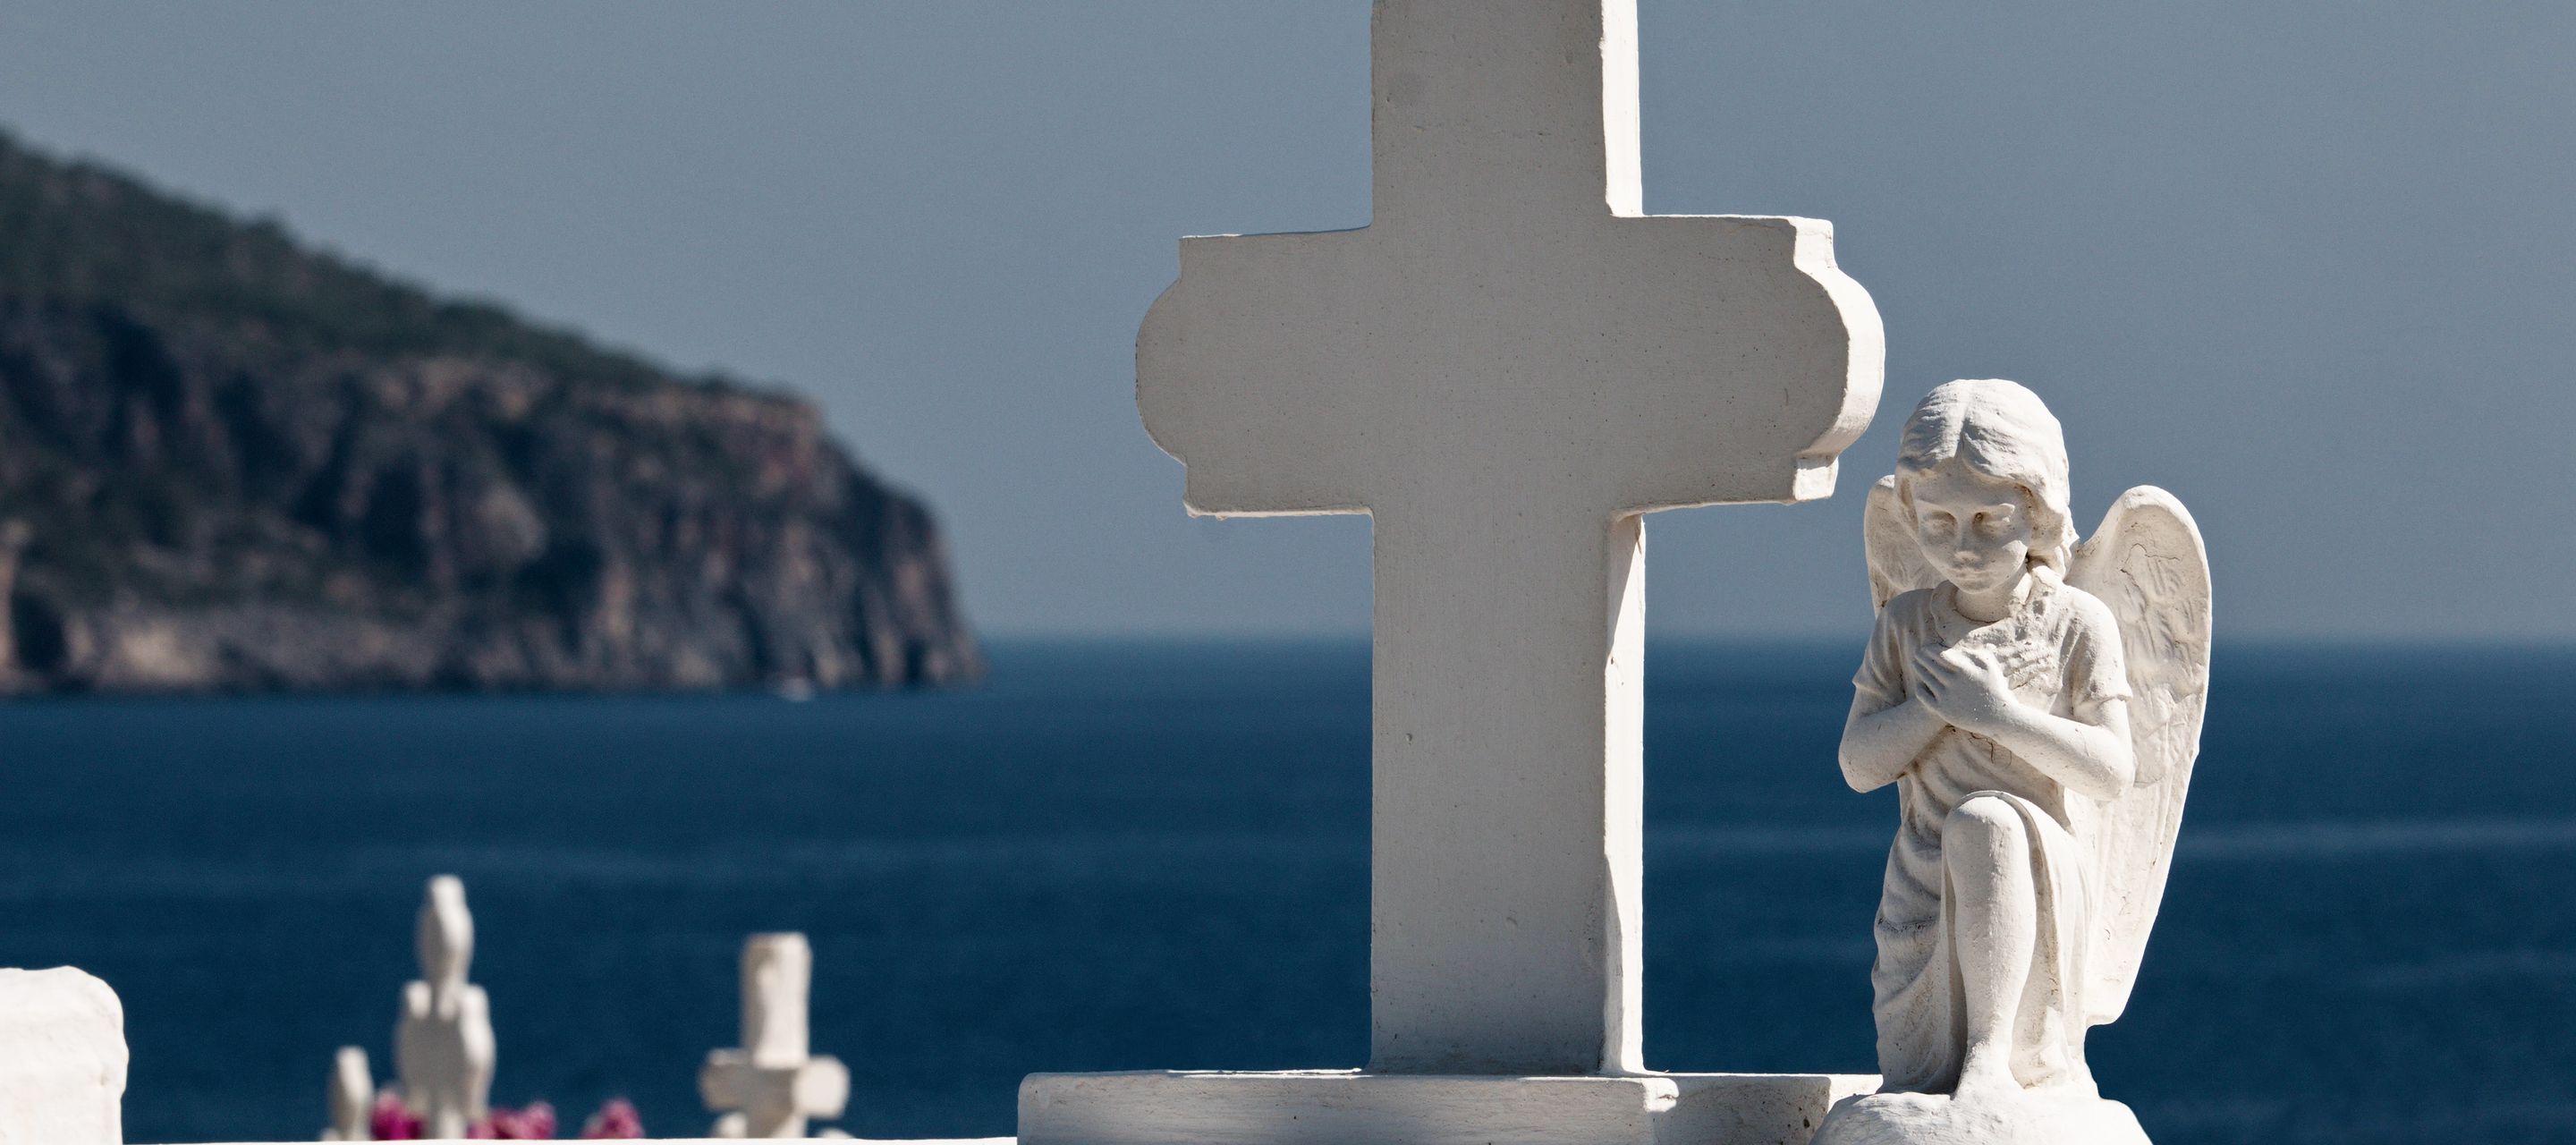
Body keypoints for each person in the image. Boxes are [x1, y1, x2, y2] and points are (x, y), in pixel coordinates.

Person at [1837, 379, 2137, 1099]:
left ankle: (1991, 1057)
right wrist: (1940, 710)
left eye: (1986, 518)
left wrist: (1999, 715)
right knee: (1966, 827)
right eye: (1938, 522)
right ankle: (1958, 1058)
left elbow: (2112, 772)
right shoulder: (1908, 625)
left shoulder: (2076, 623)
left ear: (2035, 514)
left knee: (1986, 820)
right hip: (1923, 877)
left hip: (2031, 870)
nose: (1962, 545)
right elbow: (1858, 765)